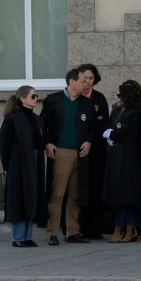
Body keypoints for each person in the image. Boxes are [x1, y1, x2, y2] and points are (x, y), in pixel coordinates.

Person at [40, 67, 94, 246]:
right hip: (61, 152)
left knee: (75, 194)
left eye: (88, 81)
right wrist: (47, 143)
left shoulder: (86, 103)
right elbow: (42, 124)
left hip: (81, 153)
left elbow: (94, 127)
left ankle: (72, 231)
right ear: (71, 81)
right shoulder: (53, 100)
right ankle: (53, 232)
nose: (86, 83)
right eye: (82, 80)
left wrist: (89, 141)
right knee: (58, 193)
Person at [0, 86, 45, 247]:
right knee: (19, 199)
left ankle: (27, 236)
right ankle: (18, 238)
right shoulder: (12, 119)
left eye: (36, 95)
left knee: (32, 197)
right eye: (33, 96)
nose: (36, 98)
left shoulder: (37, 119)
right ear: (22, 99)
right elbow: (3, 143)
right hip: (18, 165)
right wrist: (8, 166)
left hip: (35, 162)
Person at [102, 83, 141, 243]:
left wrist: (112, 134)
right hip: (116, 157)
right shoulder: (115, 111)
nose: (117, 98)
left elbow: (124, 131)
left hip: (130, 159)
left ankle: (129, 227)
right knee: (117, 194)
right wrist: (111, 135)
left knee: (129, 194)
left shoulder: (135, 112)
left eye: (120, 95)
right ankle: (118, 227)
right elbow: (108, 127)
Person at [76, 63, 110, 239]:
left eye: (91, 78)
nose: (88, 82)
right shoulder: (74, 97)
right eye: (85, 78)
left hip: (96, 151)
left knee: (96, 187)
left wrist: (92, 140)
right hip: (77, 150)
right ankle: (78, 227)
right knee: (79, 188)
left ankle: (95, 228)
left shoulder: (99, 99)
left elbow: (102, 123)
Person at [116, 79, 141, 236]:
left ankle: (134, 224)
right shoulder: (117, 108)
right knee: (121, 191)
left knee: (134, 190)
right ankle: (121, 226)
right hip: (119, 153)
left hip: (136, 152)